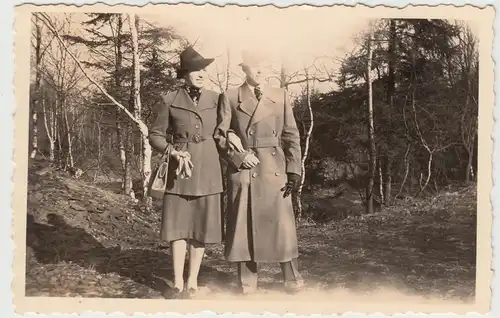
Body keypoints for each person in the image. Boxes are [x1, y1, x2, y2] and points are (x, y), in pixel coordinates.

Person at [214, 50, 304, 295]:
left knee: (282, 225)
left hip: (275, 170)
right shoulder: (230, 96)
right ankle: (247, 282)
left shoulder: (280, 95)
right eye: (255, 67)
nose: (261, 71)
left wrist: (294, 170)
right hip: (245, 170)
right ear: (245, 69)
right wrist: (240, 157)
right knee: (244, 224)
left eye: (265, 65)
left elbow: (291, 136)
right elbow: (220, 136)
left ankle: (291, 277)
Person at [149, 46, 236, 299]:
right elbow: (155, 135)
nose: (202, 73)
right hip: (179, 171)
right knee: (177, 229)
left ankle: (193, 282)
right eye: (196, 69)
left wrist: (236, 150)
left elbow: (223, 132)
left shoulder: (217, 98)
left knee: (200, 229)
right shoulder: (169, 99)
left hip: (208, 168)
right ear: (184, 73)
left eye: (204, 69)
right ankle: (177, 283)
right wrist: (173, 152)